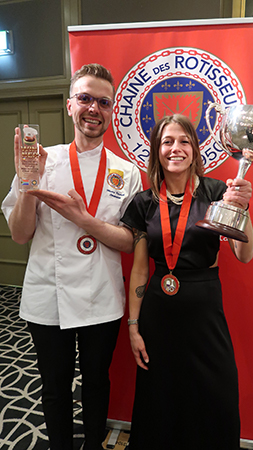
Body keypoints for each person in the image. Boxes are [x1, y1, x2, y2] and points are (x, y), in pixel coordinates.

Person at [1, 63, 142, 450]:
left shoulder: (126, 172)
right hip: (49, 295)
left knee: (97, 382)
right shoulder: (41, 161)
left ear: (112, 111)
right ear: (69, 106)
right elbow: (19, 234)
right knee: (55, 386)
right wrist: (29, 183)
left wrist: (82, 219)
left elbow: (129, 242)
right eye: (85, 98)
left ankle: (94, 442)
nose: (93, 108)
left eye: (103, 101)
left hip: (102, 296)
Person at [121, 114, 253, 450]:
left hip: (204, 312)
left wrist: (242, 208)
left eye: (183, 141)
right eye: (167, 141)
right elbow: (139, 269)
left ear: (194, 149)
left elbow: (244, 254)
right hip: (157, 314)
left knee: (215, 395)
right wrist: (134, 326)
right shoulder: (144, 202)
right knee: (160, 398)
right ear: (157, 150)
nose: (175, 148)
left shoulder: (217, 191)